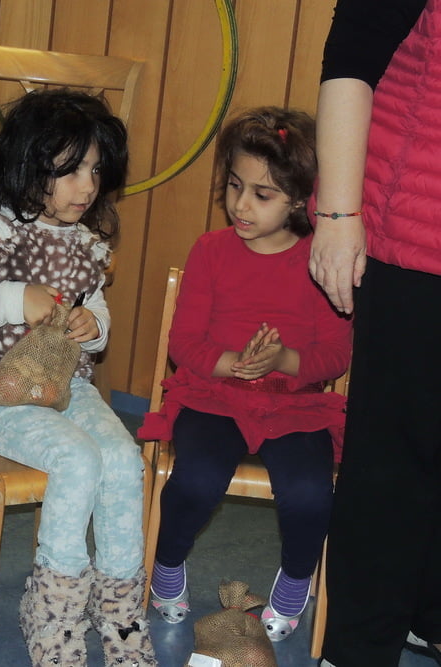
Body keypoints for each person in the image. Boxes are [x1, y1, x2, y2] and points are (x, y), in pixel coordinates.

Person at [0, 88, 154, 667]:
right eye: (70, 171)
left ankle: (120, 613)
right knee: (77, 460)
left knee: (123, 460)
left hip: (67, 386)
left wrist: (92, 326)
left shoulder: (86, 244)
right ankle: (53, 612)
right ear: (29, 169)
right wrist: (17, 297)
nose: (87, 186)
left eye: (96, 171)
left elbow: (97, 317)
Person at [137, 107, 352, 644]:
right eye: (235, 185)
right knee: (195, 479)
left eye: (262, 194)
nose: (240, 204)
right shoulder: (211, 251)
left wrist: (281, 361)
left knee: (310, 494)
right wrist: (234, 364)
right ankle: (167, 563)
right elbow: (184, 344)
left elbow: (334, 356)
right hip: (214, 395)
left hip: (294, 403)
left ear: (299, 200)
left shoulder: (321, 261)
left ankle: (296, 577)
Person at [312, 1, 441, 664]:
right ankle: (358, 649)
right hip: (421, 229)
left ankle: (429, 613)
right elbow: (354, 53)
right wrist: (338, 216)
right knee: (393, 459)